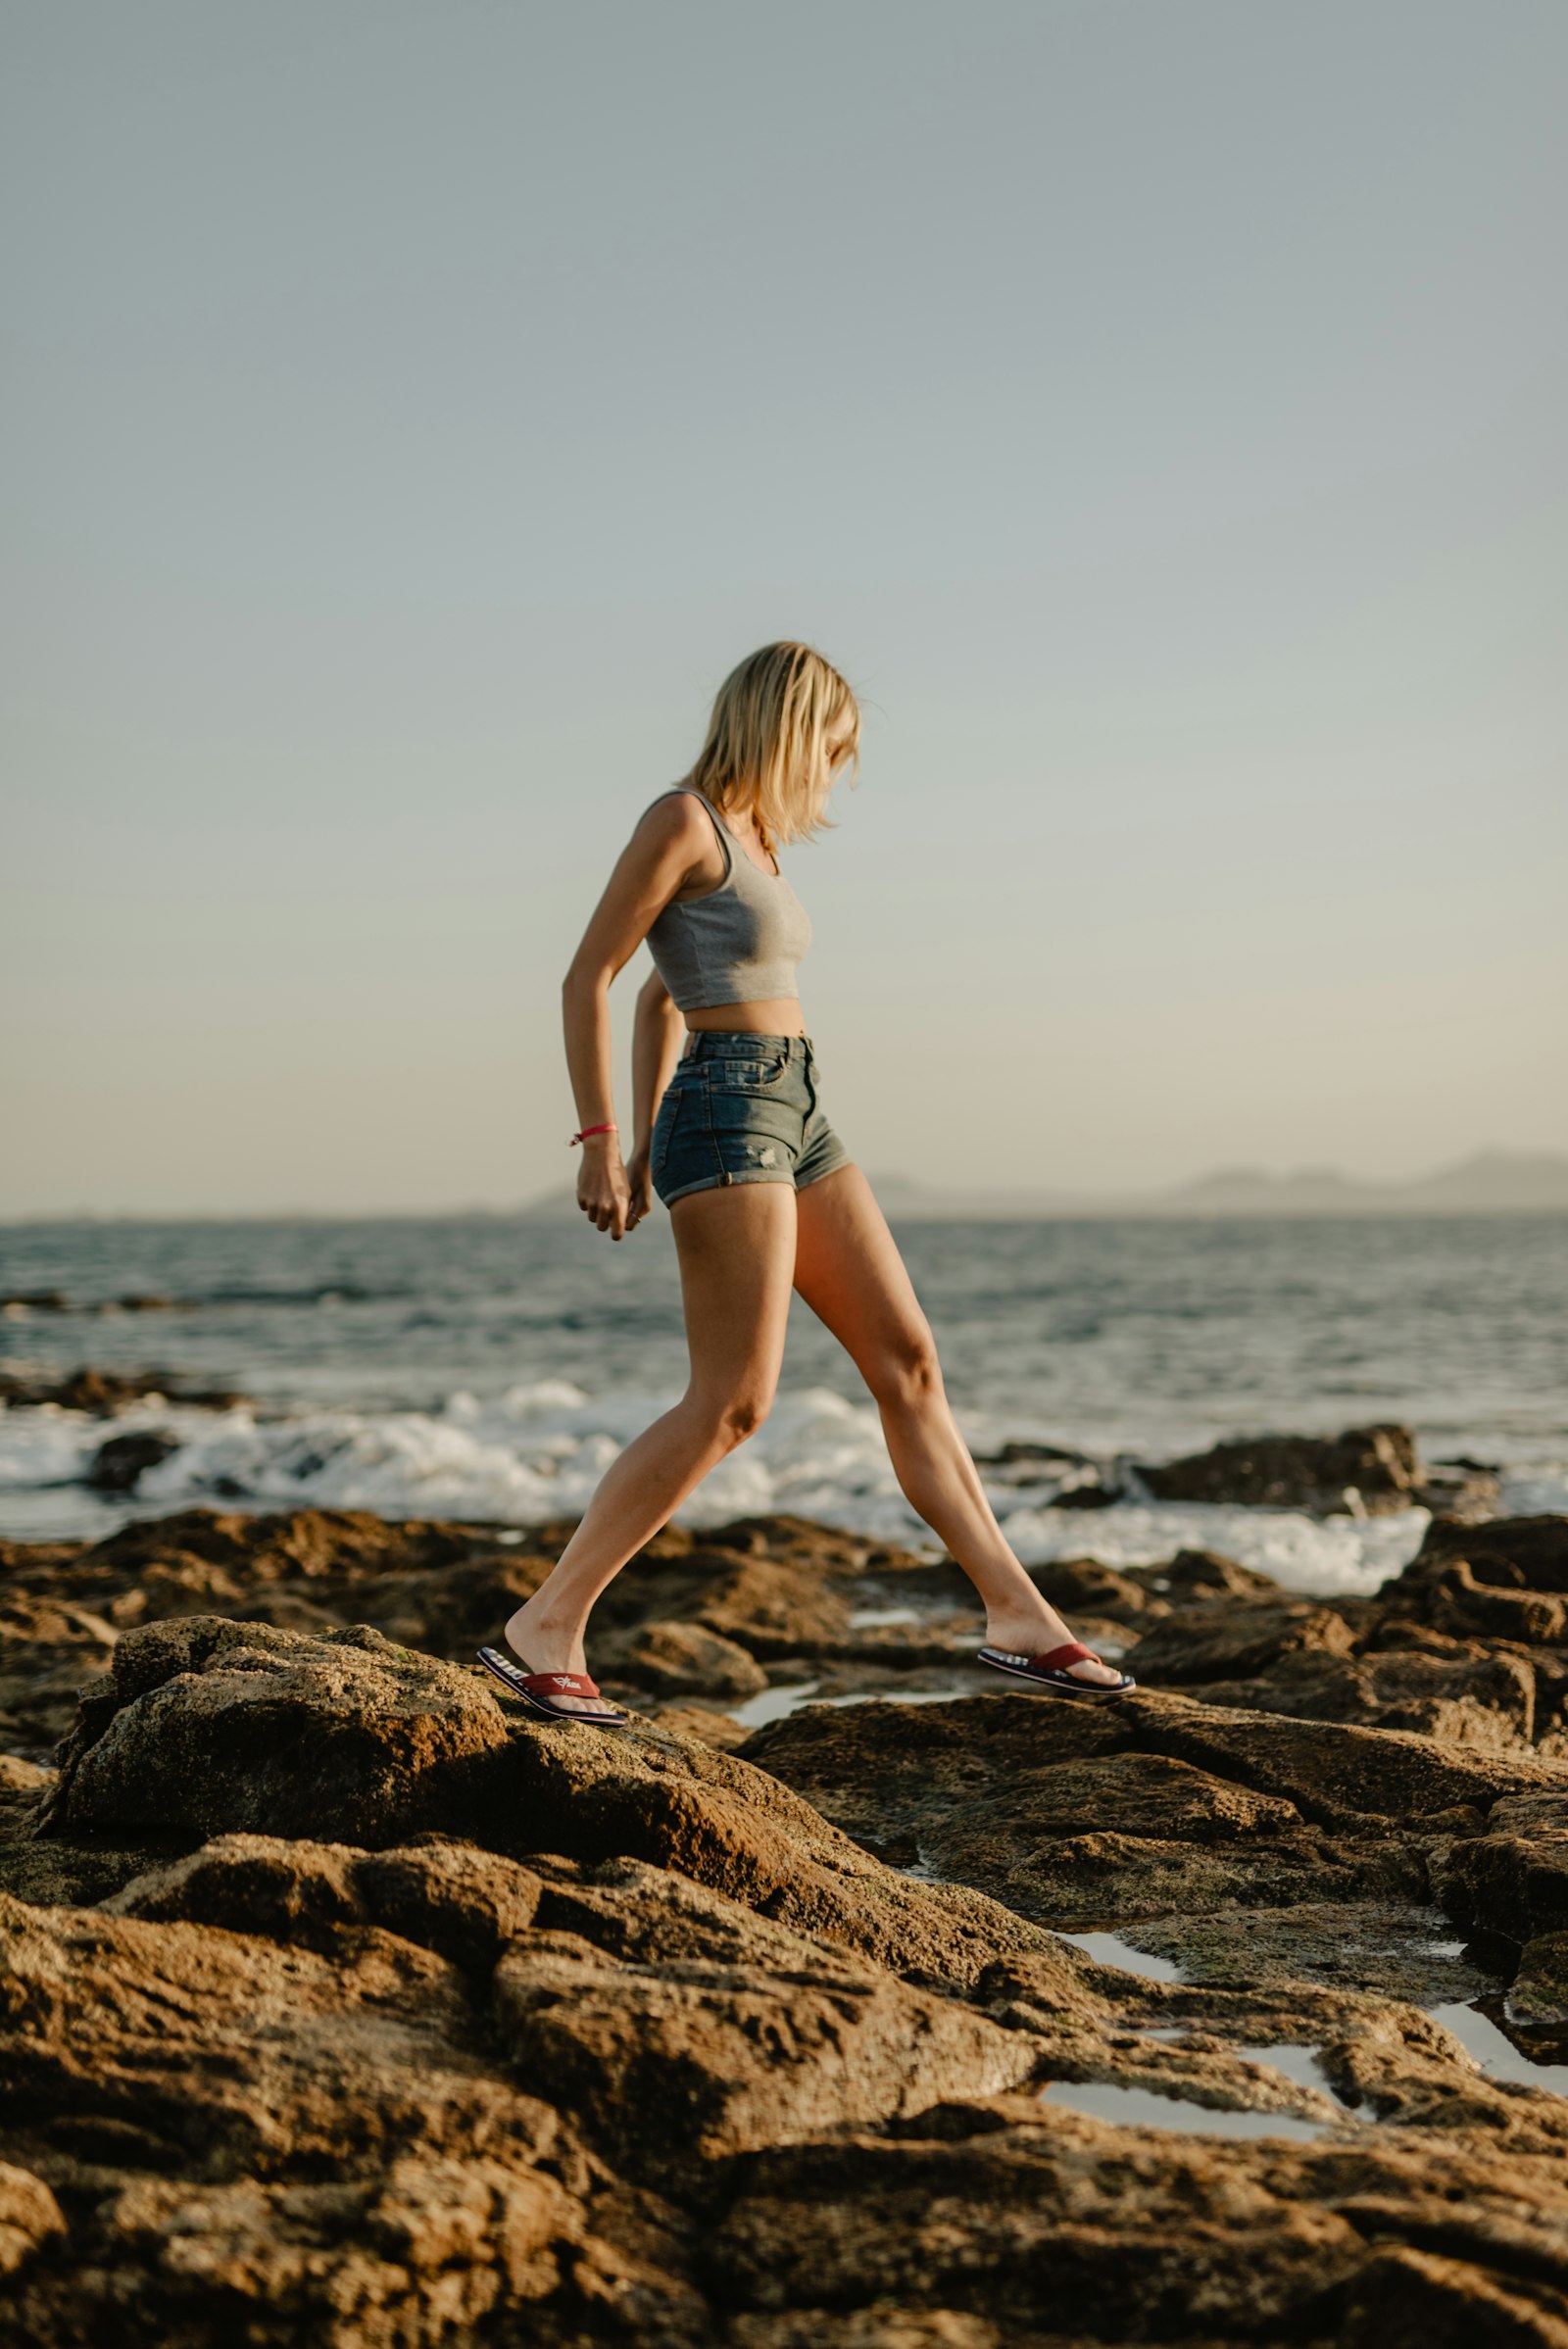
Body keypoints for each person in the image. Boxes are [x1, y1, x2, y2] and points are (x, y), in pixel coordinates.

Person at [478, 642, 1135, 1724]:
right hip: (729, 1109)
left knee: (909, 1361)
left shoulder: (759, 843)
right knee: (733, 1401)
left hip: (799, 1108)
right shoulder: (681, 821)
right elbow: (590, 975)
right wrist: (605, 1138)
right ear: (790, 727)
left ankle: (1019, 1616)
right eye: (833, 747)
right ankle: (543, 1625)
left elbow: (660, 999)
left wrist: (647, 1145)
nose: (836, 771)